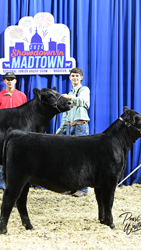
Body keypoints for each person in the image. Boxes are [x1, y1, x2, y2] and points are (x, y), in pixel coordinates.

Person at [56, 67, 90, 197]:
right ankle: (72, 187)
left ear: (81, 78)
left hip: (81, 126)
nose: (75, 78)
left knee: (82, 159)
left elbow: (83, 102)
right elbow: (65, 115)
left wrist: (69, 97)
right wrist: (59, 131)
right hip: (70, 127)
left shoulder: (84, 90)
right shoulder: (69, 93)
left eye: (77, 76)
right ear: (70, 78)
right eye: (73, 76)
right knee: (71, 160)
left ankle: (83, 189)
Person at [0, 72, 27, 192]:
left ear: (15, 81)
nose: (10, 81)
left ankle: (19, 185)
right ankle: (0, 185)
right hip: (3, 132)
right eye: (7, 79)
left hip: (19, 133)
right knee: (2, 158)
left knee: (20, 159)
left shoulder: (22, 96)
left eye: (12, 79)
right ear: (4, 81)